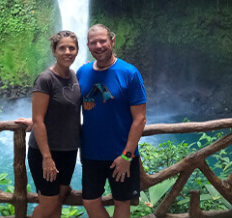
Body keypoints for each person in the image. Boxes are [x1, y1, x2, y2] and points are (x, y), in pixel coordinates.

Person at [77, 24, 147, 218]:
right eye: (93, 42)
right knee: (90, 202)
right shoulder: (82, 73)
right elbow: (67, 106)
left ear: (112, 41)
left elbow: (140, 119)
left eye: (103, 41)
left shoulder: (129, 73)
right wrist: (37, 119)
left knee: (122, 204)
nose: (99, 46)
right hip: (91, 153)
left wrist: (126, 156)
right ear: (88, 46)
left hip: (122, 155)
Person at [26, 30, 82, 218]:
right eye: (62, 48)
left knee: (58, 201)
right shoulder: (46, 79)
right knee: (48, 205)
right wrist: (47, 158)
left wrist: (33, 119)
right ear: (54, 50)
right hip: (46, 152)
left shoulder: (74, 76)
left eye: (72, 48)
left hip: (69, 150)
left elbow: (61, 111)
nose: (68, 52)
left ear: (77, 51)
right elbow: (39, 119)